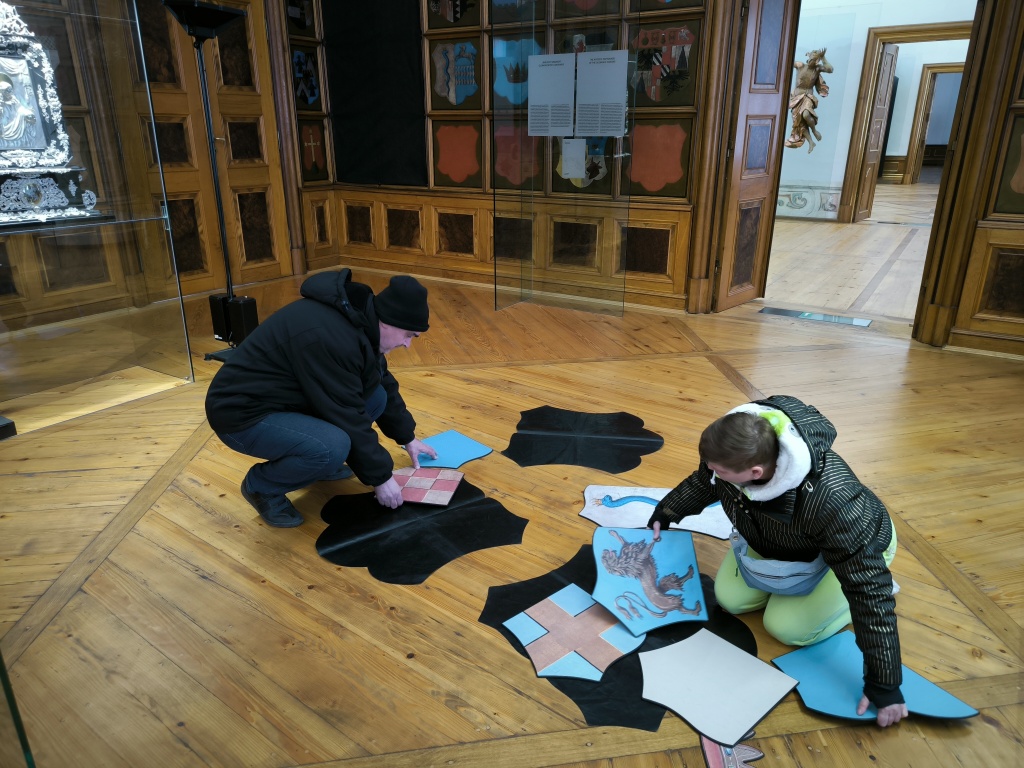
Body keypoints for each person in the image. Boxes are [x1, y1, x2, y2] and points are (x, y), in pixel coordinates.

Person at [647, 395, 908, 728]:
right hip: (777, 542)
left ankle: (872, 582)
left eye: (719, 471)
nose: (712, 473)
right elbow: (704, 481)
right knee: (729, 599)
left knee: (784, 627)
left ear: (755, 472)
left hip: (854, 552)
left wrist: (885, 684)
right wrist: (668, 511)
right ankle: (802, 589)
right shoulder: (731, 450)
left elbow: (868, 592)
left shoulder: (835, 503)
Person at [205, 269, 437, 528]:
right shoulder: (331, 337)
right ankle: (262, 486)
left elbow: (381, 380)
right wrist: (381, 478)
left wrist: (407, 437)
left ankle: (319, 461)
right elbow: (346, 413)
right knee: (331, 447)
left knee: (376, 397)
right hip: (240, 414)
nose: (407, 345)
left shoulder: (362, 321)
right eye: (409, 335)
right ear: (387, 322)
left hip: (286, 400)